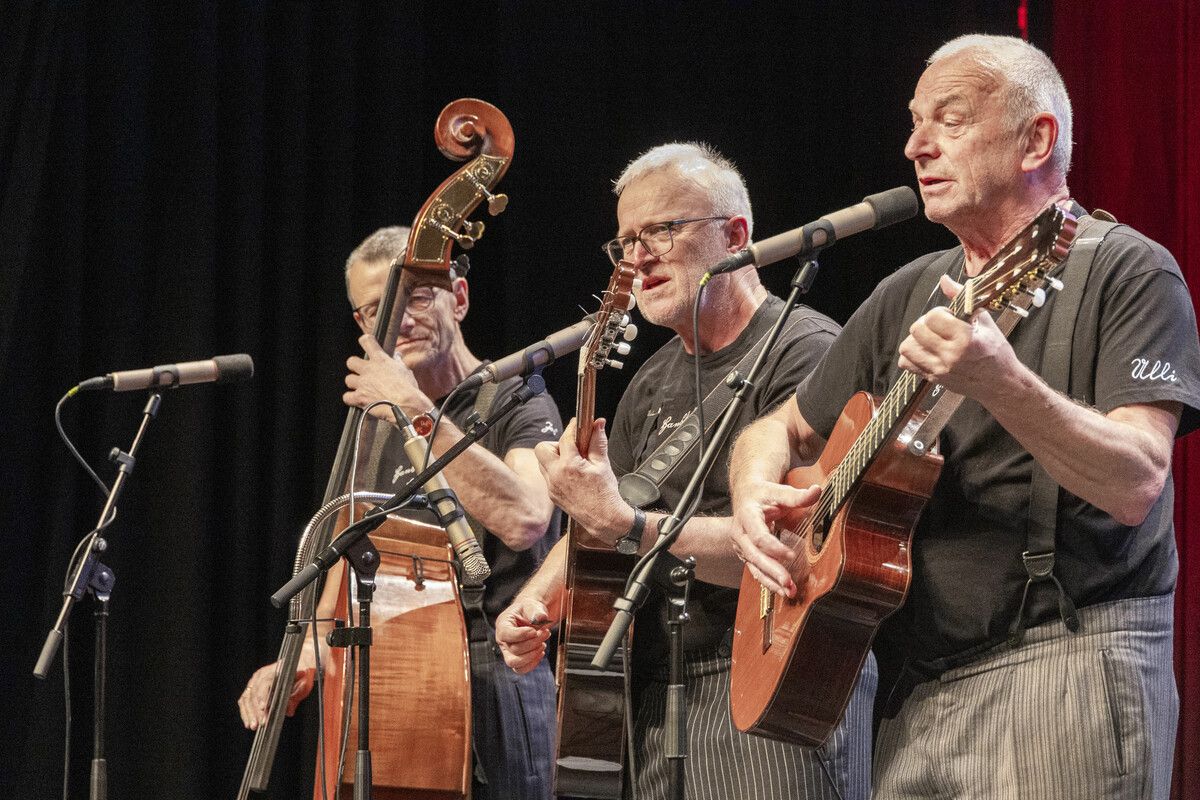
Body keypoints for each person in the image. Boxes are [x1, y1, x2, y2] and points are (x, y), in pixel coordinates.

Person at [730, 35, 1200, 800]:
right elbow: (776, 428)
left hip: (1063, 661)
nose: (915, 145)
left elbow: (1138, 481)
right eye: (915, 122)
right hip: (916, 690)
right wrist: (755, 493)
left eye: (948, 119)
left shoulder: (1128, 269)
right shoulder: (907, 291)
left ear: (1036, 139)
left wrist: (1002, 381)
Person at [496, 143, 875, 800]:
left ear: (736, 236)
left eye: (662, 231)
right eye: (624, 242)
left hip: (774, 673)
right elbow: (601, 518)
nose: (637, 258)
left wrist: (628, 524)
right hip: (662, 688)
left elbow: (796, 551)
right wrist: (538, 601)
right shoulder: (651, 381)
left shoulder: (808, 353)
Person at [238, 225, 563, 800]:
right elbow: (346, 558)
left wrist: (414, 408)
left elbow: (528, 517)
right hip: (395, 681)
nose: (396, 321)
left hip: (496, 672)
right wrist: (302, 658)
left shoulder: (518, 396)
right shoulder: (371, 427)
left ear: (458, 299)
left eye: (414, 297)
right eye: (372, 312)